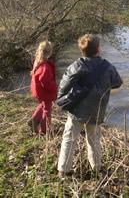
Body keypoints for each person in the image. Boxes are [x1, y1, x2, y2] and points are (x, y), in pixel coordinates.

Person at [57, 34, 122, 177]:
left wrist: (61, 98)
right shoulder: (108, 67)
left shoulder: (77, 65)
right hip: (97, 110)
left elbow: (64, 84)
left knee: (69, 139)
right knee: (94, 140)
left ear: (81, 51)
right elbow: (117, 83)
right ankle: (96, 168)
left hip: (77, 110)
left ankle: (63, 170)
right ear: (98, 50)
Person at [28, 41, 58, 135]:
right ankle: (44, 131)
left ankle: (33, 121)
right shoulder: (46, 67)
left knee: (43, 105)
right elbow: (46, 82)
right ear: (50, 53)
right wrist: (56, 88)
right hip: (44, 92)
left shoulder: (38, 60)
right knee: (47, 110)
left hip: (38, 90)